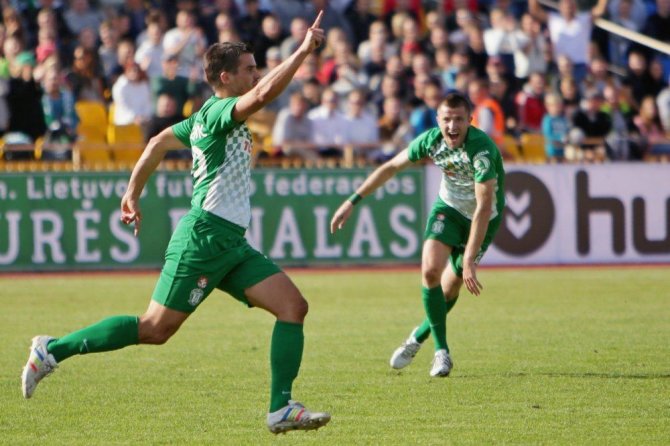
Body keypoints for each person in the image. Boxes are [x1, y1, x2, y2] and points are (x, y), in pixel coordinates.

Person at [21, 12, 331, 435]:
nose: (255, 74)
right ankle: (52, 350)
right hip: (204, 237)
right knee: (154, 329)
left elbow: (156, 142)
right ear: (225, 77)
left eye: (256, 67)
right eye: (249, 69)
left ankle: (280, 409)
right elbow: (259, 97)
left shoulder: (202, 116)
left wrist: (132, 192)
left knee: (293, 307)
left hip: (230, 241)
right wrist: (301, 52)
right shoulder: (222, 111)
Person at [330, 91, 506, 377]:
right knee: (430, 273)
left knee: (449, 289)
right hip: (448, 210)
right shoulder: (431, 141)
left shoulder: (481, 149)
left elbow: (484, 207)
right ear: (438, 120)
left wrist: (470, 259)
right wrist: (352, 201)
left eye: (459, 119)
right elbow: (390, 167)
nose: (452, 126)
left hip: (482, 219)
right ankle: (442, 353)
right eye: (447, 119)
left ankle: (417, 337)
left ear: (470, 121)